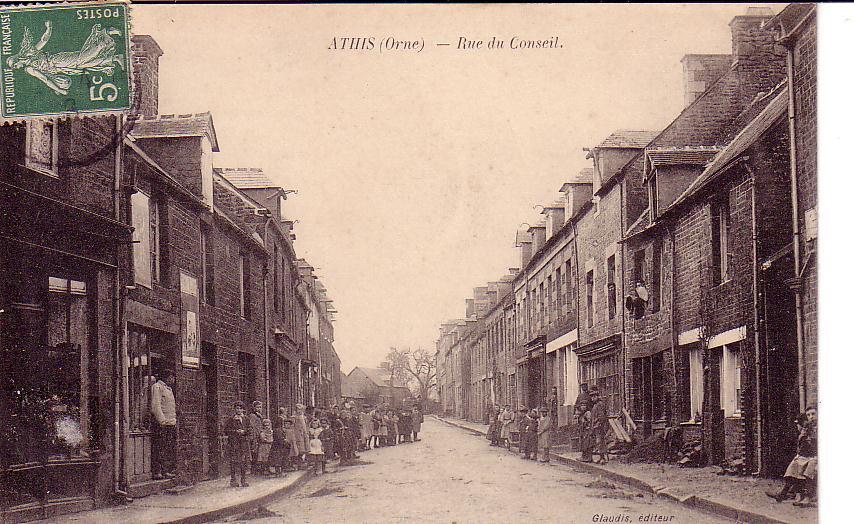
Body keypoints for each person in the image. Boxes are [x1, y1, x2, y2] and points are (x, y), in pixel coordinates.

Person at [767, 407, 818, 506]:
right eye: (808, 415)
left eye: (813, 414)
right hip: (808, 456)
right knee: (794, 464)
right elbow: (803, 445)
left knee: (811, 465)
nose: (811, 417)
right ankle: (783, 493)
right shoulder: (807, 428)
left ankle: (807, 497)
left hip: (817, 456)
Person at [151, 370, 177, 479]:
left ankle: (165, 470)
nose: (173, 380)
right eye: (172, 377)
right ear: (167, 377)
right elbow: (156, 406)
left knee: (167, 448)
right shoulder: (157, 387)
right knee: (160, 448)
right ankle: (157, 472)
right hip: (162, 424)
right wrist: (162, 421)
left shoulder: (168, 389)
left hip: (170, 423)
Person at [224, 401, 250, 487]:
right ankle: (233, 480)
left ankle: (243, 480)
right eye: (237, 408)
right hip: (234, 443)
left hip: (243, 443)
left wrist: (244, 431)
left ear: (243, 409)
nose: (239, 410)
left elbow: (250, 430)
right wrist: (235, 431)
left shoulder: (246, 419)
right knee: (234, 461)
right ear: (234, 409)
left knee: (243, 461)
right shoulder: (231, 420)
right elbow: (226, 431)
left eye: (240, 408)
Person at [589, 388, 609, 464]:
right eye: (592, 397)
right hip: (596, 426)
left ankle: (602, 458)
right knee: (599, 442)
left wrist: (597, 424)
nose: (592, 398)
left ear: (597, 396)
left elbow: (601, 417)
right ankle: (601, 458)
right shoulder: (595, 405)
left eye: (594, 396)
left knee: (600, 441)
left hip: (600, 426)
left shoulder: (599, 405)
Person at [248, 400, 264, 474]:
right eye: (257, 407)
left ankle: (258, 468)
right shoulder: (252, 416)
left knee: (259, 452)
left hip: (259, 435)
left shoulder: (259, 416)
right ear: (254, 408)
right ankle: (254, 468)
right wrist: (254, 436)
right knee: (254, 452)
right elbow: (253, 426)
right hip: (255, 436)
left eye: (260, 407)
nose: (259, 409)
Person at [293, 404, 310, 468]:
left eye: (301, 409)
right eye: (298, 409)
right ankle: (298, 461)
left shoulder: (304, 417)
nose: (299, 411)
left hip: (304, 434)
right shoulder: (294, 417)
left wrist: (306, 432)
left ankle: (303, 460)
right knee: (298, 448)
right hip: (297, 434)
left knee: (304, 448)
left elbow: (306, 425)